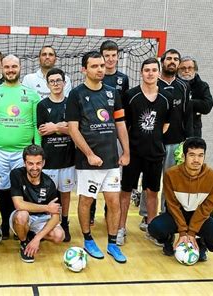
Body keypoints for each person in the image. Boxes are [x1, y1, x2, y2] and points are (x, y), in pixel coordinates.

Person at [66, 51, 129, 263]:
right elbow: (73, 130)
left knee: (114, 202)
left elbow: (120, 124)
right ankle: (88, 239)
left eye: (102, 65)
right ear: (84, 69)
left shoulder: (113, 93)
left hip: (111, 160)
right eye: (94, 66)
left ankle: (112, 243)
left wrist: (126, 152)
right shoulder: (76, 94)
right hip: (88, 163)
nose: (100, 69)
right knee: (86, 201)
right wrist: (90, 154)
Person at [0, 54, 41, 239]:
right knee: (4, 189)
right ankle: (6, 224)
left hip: (23, 152)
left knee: (23, 189)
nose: (10, 70)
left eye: (14, 66)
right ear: (2, 69)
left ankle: (22, 224)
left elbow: (36, 125)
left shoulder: (31, 94)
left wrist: (37, 150)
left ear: (20, 67)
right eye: (7, 67)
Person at [117, 58, 172, 246]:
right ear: (141, 73)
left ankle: (152, 229)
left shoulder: (166, 98)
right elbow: (123, 125)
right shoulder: (131, 96)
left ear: (158, 72)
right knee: (125, 192)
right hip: (133, 153)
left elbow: (165, 126)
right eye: (146, 70)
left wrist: (152, 139)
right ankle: (121, 228)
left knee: (152, 192)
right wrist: (126, 151)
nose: (150, 73)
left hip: (155, 154)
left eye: (153, 70)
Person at [138, 49, 194, 232]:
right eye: (169, 58)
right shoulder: (154, 82)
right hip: (154, 142)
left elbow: (188, 115)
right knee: (150, 180)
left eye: (175, 59)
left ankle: (165, 213)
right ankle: (146, 214)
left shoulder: (184, 86)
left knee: (170, 181)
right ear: (162, 62)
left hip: (176, 142)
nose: (172, 62)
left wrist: (189, 141)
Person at [148, 137, 213, 261]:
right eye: (192, 155)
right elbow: (172, 205)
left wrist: (191, 233)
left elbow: (207, 207)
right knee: (154, 228)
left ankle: (202, 244)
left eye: (200, 155)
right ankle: (168, 240)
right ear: (184, 155)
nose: (196, 160)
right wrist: (182, 232)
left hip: (200, 216)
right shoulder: (171, 175)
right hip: (177, 215)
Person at [90, 40, 131, 223]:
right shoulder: (95, 76)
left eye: (113, 55)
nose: (110, 59)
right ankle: (90, 213)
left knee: (112, 176)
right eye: (107, 56)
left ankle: (109, 213)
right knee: (92, 173)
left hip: (114, 133)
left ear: (118, 56)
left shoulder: (123, 79)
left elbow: (124, 110)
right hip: (95, 132)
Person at [36, 68, 75, 242]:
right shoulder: (42, 105)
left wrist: (56, 127)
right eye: (52, 81)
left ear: (64, 83)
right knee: (49, 194)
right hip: (50, 159)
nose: (56, 84)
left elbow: (75, 131)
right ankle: (49, 223)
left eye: (59, 81)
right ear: (47, 84)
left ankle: (65, 223)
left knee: (65, 193)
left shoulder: (72, 103)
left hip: (68, 159)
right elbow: (43, 130)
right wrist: (64, 127)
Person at [10, 145, 64, 263]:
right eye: (30, 163)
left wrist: (37, 239)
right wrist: (46, 207)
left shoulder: (49, 183)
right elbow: (19, 205)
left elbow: (55, 216)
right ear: (24, 162)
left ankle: (32, 236)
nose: (35, 167)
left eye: (38, 163)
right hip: (22, 217)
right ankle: (24, 242)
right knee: (22, 215)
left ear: (43, 163)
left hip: (41, 219)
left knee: (59, 236)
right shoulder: (16, 175)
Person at [178, 56, 213, 137]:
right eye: (183, 68)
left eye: (190, 68)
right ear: (178, 70)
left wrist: (190, 103)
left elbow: (207, 106)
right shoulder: (174, 85)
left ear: (195, 69)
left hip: (194, 130)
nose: (186, 71)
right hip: (175, 130)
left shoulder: (202, 85)